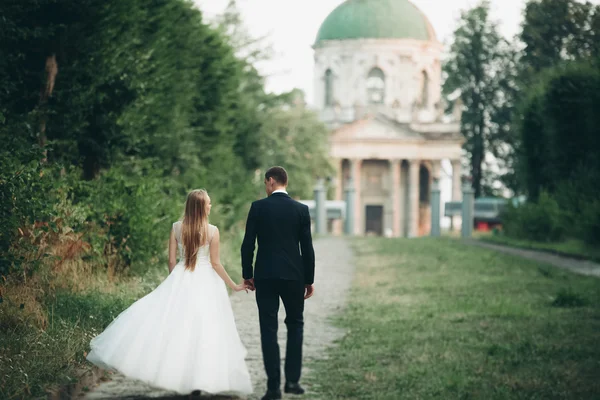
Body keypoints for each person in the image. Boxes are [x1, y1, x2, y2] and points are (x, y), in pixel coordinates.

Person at [87, 189, 252, 396]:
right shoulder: (212, 231)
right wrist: (234, 285)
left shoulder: (176, 228)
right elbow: (216, 263)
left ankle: (182, 376)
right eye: (208, 203)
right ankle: (199, 379)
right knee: (205, 329)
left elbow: (171, 261)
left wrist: (177, 280)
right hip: (207, 282)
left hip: (181, 276)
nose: (211, 206)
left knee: (179, 329)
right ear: (201, 207)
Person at [241, 166, 316, 400]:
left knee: (268, 329)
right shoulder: (301, 210)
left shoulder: (258, 207)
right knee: (295, 325)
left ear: (271, 181)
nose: (265, 187)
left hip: (265, 276)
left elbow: (248, 244)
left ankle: (273, 387)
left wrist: (247, 273)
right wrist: (309, 279)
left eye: (265, 183)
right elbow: (307, 249)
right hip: (294, 276)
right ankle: (292, 381)